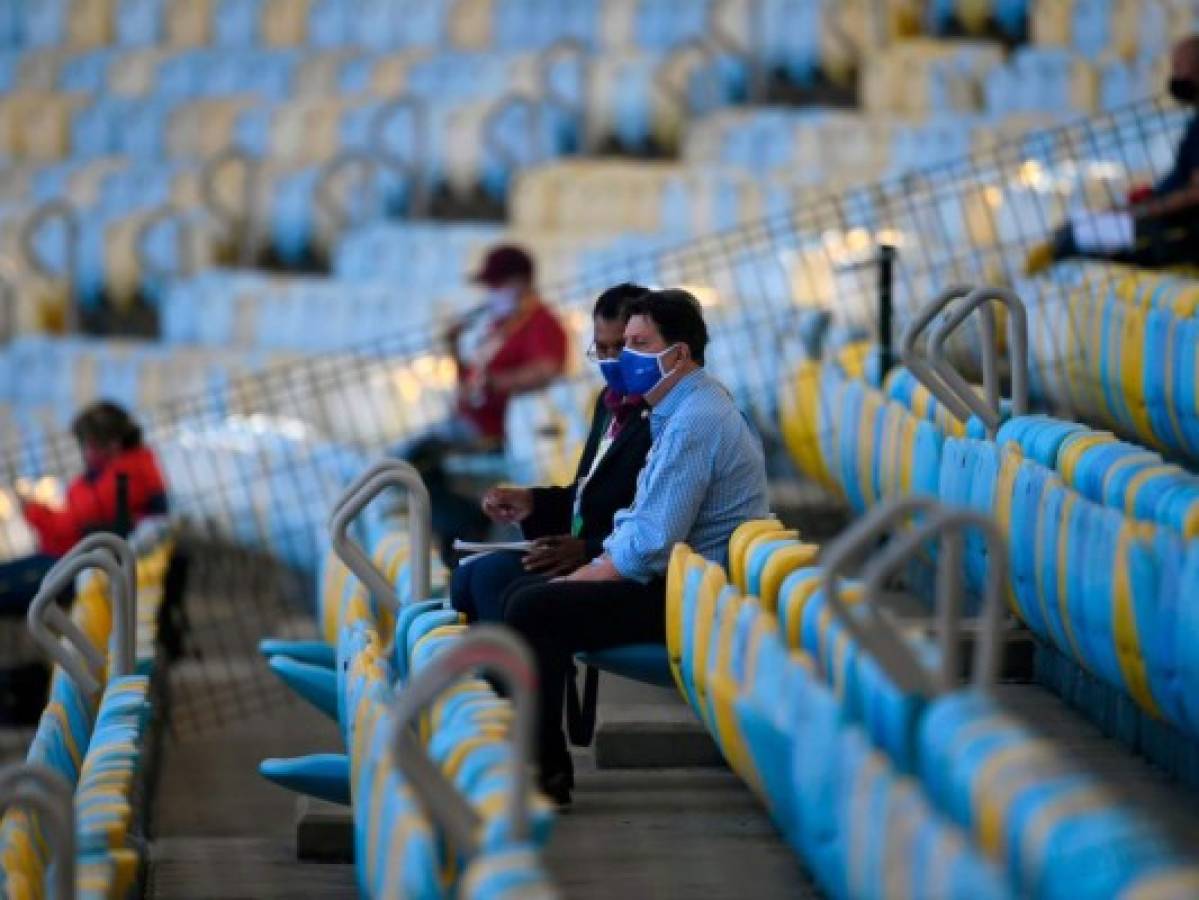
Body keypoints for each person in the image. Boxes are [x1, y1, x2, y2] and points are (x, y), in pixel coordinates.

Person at [497, 288, 771, 806]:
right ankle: (533, 757)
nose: (625, 359)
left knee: (534, 604)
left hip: (691, 595)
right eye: (623, 345)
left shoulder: (696, 422)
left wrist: (579, 576)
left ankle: (543, 770)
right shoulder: (678, 410)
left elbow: (645, 547)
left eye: (639, 344)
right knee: (525, 595)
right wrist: (587, 568)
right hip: (677, 581)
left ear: (679, 354)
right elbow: (638, 523)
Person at [451, 283, 654, 623]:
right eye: (601, 350)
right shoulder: (610, 404)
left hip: (625, 568)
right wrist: (531, 502)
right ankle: (503, 673)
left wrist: (587, 550)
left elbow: (654, 524)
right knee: (464, 581)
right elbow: (585, 494)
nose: (609, 361)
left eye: (620, 348)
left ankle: (519, 676)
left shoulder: (659, 415)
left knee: (503, 589)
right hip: (587, 549)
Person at [401, 244, 569, 564]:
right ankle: (459, 532)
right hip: (473, 421)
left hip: (499, 431)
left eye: (495, 285)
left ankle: (467, 526)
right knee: (408, 459)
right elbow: (471, 381)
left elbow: (548, 369)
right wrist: (452, 347)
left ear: (519, 282)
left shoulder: (541, 322)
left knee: (417, 462)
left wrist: (498, 383)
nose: (489, 293)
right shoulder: (499, 324)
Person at [1027, 35, 1199, 274]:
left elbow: (1194, 193)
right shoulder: (1193, 122)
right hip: (1158, 218)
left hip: (1176, 230)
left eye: (1179, 68)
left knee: (1075, 240)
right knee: (1071, 231)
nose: (1174, 76)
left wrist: (1142, 211)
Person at [0, 401, 168, 617]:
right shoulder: (124, 471)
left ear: (112, 445)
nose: (84, 452)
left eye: (87, 444)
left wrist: (32, 509)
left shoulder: (121, 480)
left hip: (83, 567)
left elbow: (67, 532)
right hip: (81, 561)